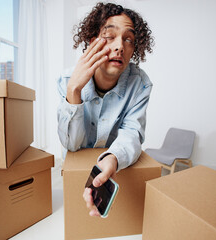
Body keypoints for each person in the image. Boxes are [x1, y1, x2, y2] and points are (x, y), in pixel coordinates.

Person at [57, 2, 154, 217]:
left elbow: (132, 132)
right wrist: (74, 90)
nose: (120, 46)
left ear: (133, 49)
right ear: (93, 43)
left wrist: (112, 158)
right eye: (110, 37)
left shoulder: (141, 84)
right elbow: (71, 145)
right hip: (74, 168)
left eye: (128, 39)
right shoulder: (66, 80)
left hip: (114, 168)